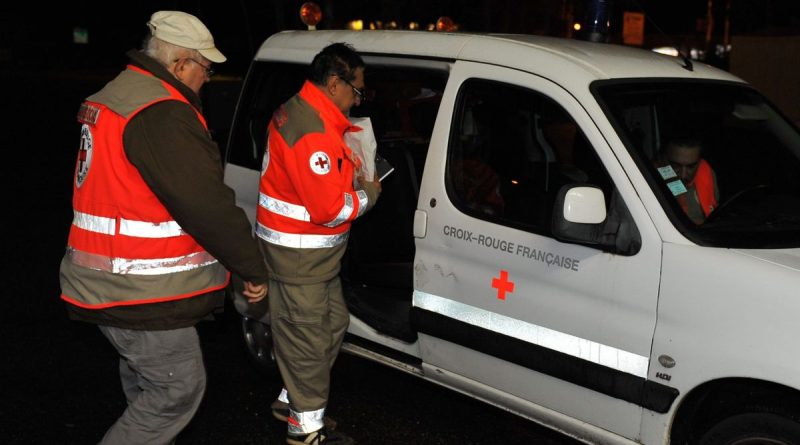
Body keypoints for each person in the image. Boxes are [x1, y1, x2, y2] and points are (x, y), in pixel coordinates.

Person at [59, 11, 268, 445]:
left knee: (146, 387)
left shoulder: (115, 95)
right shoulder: (161, 112)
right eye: (205, 68)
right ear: (179, 65)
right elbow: (205, 205)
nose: (208, 77)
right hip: (142, 290)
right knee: (176, 391)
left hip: (106, 280)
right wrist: (252, 266)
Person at [256, 43, 381, 445]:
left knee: (334, 324)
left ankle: (291, 398)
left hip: (315, 258)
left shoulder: (308, 111)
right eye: (356, 91)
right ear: (333, 84)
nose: (357, 99)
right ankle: (305, 429)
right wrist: (369, 194)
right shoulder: (312, 130)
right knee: (308, 342)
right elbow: (327, 208)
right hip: (298, 259)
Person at [656, 137, 719, 224]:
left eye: (691, 167)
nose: (683, 175)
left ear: (700, 162)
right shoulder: (648, 180)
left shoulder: (707, 173)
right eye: (675, 165)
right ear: (662, 159)